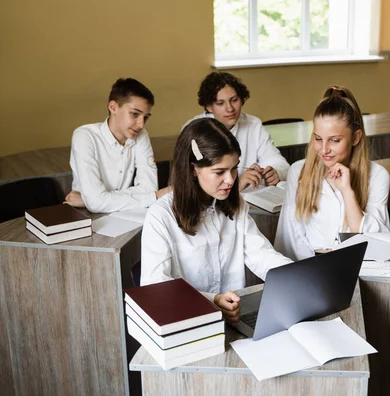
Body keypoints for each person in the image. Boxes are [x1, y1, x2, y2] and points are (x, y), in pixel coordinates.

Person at [141, 118, 292, 322]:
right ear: (194, 169)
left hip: (234, 319)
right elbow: (156, 288)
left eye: (233, 168)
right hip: (188, 324)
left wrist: (297, 277)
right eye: (219, 172)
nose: (230, 180)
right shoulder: (161, 216)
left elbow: (262, 255)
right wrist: (212, 300)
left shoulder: (235, 204)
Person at [274, 86, 390, 261]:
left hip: (357, 267)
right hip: (310, 270)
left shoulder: (377, 175)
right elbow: (290, 239)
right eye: (318, 138)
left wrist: (347, 192)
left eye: (335, 140)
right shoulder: (298, 171)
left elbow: (377, 243)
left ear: (356, 138)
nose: (324, 149)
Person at [66, 78, 170, 213]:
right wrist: (155, 197)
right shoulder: (84, 136)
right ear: (113, 107)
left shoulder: (141, 135)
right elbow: (96, 203)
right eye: (135, 114)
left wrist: (88, 201)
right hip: (85, 219)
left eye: (146, 117)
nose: (141, 124)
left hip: (125, 215)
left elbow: (149, 188)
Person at [182, 71, 290, 190]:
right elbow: (189, 183)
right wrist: (236, 186)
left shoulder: (253, 124)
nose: (230, 109)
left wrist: (275, 172)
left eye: (234, 100)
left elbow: (279, 163)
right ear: (208, 106)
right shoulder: (194, 130)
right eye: (220, 103)